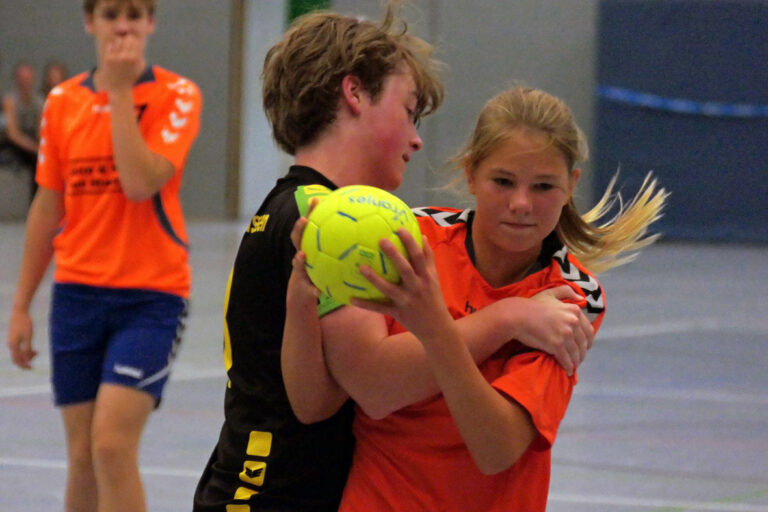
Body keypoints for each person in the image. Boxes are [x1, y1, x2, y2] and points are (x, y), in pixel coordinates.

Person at [282, 86, 667, 511]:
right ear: (471, 173)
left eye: (543, 186)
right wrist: (301, 298)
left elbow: (495, 449)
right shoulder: (408, 238)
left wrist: (435, 327)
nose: (521, 203)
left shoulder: (570, 296)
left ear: (571, 185)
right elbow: (341, 397)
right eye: (502, 181)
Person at [5, 1, 201, 511]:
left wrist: (116, 92)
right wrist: (23, 304)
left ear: (151, 23)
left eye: (135, 14)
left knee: (111, 446)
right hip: (77, 295)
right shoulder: (62, 102)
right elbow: (48, 206)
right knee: (81, 455)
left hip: (151, 296)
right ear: (89, 22)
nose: (123, 25)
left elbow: (140, 184)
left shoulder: (177, 95)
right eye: (111, 13)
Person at [1, 61, 44, 200]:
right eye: (22, 79)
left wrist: (41, 146)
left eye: (28, 78)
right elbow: (13, 134)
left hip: (31, 141)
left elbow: (40, 129)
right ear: (17, 80)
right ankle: (34, 203)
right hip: (13, 144)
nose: (26, 82)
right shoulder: (10, 101)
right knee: (35, 159)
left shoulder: (39, 101)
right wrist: (34, 148)